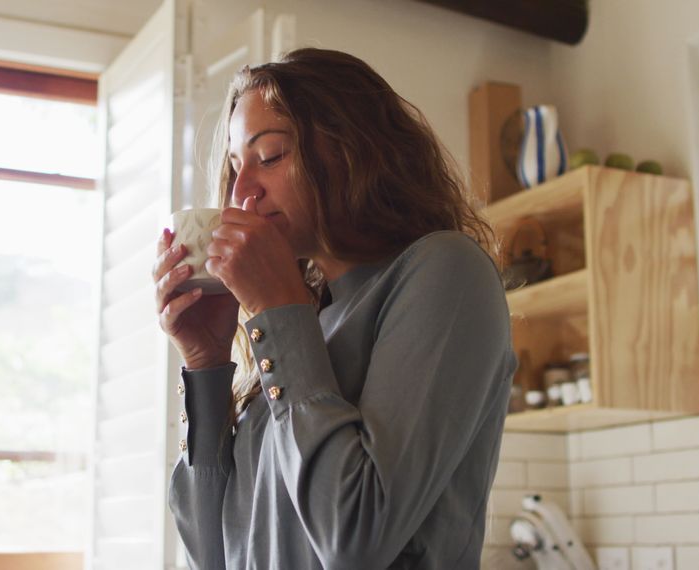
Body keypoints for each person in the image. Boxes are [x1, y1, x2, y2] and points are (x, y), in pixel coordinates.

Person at [152, 47, 515, 569]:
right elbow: (211, 556)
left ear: (353, 149)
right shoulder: (304, 325)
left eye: (270, 155)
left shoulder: (446, 272)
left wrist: (277, 312)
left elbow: (355, 538)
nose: (240, 192)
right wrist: (206, 365)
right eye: (235, 166)